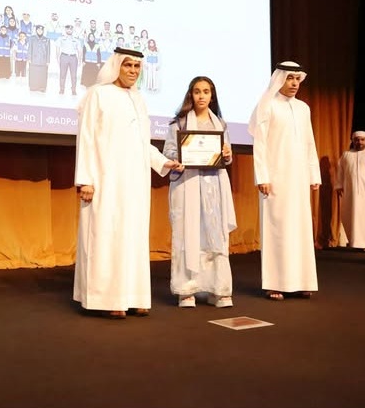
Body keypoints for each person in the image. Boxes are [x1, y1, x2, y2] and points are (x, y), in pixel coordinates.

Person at [73, 48, 183, 319]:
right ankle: (107, 298)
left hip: (134, 181)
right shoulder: (98, 94)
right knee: (106, 236)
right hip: (105, 179)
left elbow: (141, 142)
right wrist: (85, 179)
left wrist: (163, 162)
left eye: (137, 66)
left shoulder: (138, 98)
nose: (133, 71)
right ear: (116, 66)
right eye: (128, 65)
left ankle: (133, 296)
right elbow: (86, 138)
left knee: (132, 236)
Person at [248, 61, 321, 301]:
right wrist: (262, 176)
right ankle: (275, 283)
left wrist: (313, 174)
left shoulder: (303, 108)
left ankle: (302, 282)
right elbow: (259, 144)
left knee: (300, 229)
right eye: (290, 78)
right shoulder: (267, 105)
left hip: (298, 179)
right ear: (279, 79)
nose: (294, 83)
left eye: (297, 79)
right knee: (277, 230)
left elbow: (309, 142)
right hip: (275, 178)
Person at [162, 76, 237, 308]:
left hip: (214, 186)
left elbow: (226, 157)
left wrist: (227, 155)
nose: (201, 96)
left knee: (215, 236)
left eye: (206, 91)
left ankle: (218, 289)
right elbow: (168, 152)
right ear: (191, 95)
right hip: (188, 185)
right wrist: (179, 158)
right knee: (188, 235)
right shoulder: (179, 123)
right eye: (197, 91)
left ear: (212, 95)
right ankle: (187, 290)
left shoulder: (220, 124)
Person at [334, 131, 365, 252]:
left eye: (362, 140)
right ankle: (354, 242)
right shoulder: (346, 155)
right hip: (350, 191)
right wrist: (339, 185)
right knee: (350, 215)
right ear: (353, 141)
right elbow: (340, 171)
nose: (359, 142)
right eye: (357, 140)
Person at [28, 25, 50, 92]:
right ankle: (33, 87)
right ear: (36, 30)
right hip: (34, 59)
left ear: (43, 31)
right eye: (38, 30)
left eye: (41, 30)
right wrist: (29, 58)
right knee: (33, 74)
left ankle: (42, 88)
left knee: (43, 75)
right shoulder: (32, 38)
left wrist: (48, 61)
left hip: (43, 60)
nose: (40, 31)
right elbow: (30, 48)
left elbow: (48, 51)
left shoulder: (46, 39)